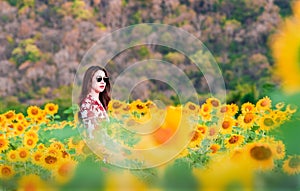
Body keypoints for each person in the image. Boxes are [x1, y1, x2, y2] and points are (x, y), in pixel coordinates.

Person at [79, 66, 111, 138]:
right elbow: (93, 135)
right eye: (99, 79)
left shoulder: (97, 101)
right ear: (89, 81)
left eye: (105, 79)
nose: (103, 82)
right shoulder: (89, 104)